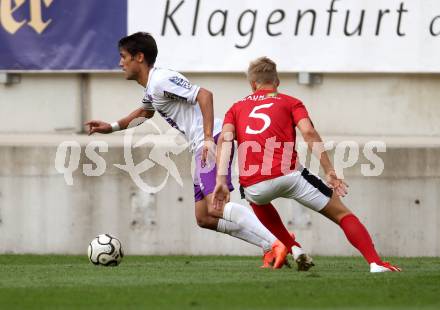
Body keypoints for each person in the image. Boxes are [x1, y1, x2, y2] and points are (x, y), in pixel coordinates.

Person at [85, 32, 306, 269]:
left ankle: (278, 241)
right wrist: (112, 127)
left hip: (212, 140)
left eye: (123, 57)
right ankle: (269, 246)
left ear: (139, 57)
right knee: (205, 217)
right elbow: (145, 112)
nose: (120, 63)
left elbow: (204, 95)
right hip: (201, 144)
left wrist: (209, 139)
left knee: (216, 205)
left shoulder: (161, 80)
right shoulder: (152, 88)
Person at [212, 56, 401, 273]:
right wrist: (329, 170)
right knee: (343, 215)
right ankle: (375, 263)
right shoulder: (290, 102)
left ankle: (293, 247)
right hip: (290, 175)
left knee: (257, 200)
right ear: (277, 82)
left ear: (252, 84)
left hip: (254, 184)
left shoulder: (236, 108)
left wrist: (221, 180)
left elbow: (225, 140)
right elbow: (309, 132)